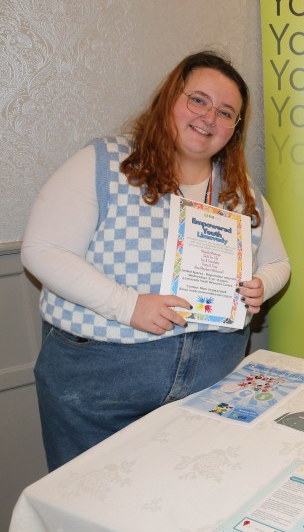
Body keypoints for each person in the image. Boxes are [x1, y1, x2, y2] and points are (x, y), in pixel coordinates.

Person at [21, 51, 290, 470]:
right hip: (101, 385)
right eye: (198, 100)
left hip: (212, 379)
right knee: (92, 504)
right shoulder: (105, 163)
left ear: (235, 129)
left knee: (194, 504)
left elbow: (277, 263)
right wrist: (128, 305)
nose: (209, 118)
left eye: (226, 113)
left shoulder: (240, 189)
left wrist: (262, 286)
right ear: (169, 99)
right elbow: (42, 250)